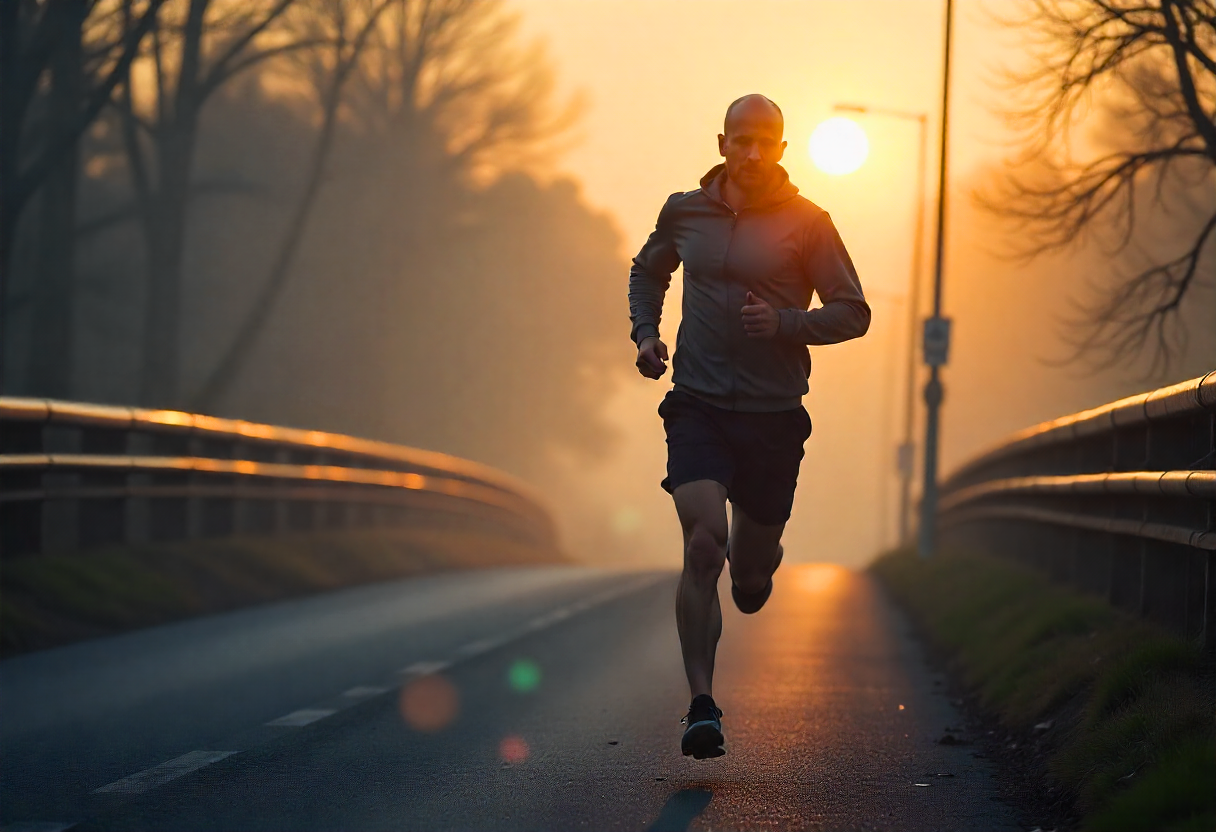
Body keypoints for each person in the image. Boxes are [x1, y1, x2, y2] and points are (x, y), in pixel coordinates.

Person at [628, 94, 871, 759]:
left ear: (783, 150)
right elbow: (647, 272)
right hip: (698, 405)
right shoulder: (685, 211)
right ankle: (701, 705)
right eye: (743, 140)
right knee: (704, 544)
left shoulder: (809, 222)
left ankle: (757, 569)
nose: (754, 153)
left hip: (772, 417)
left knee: (748, 580)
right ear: (723, 143)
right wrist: (646, 335)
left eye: (767, 142)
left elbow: (854, 312)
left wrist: (788, 324)